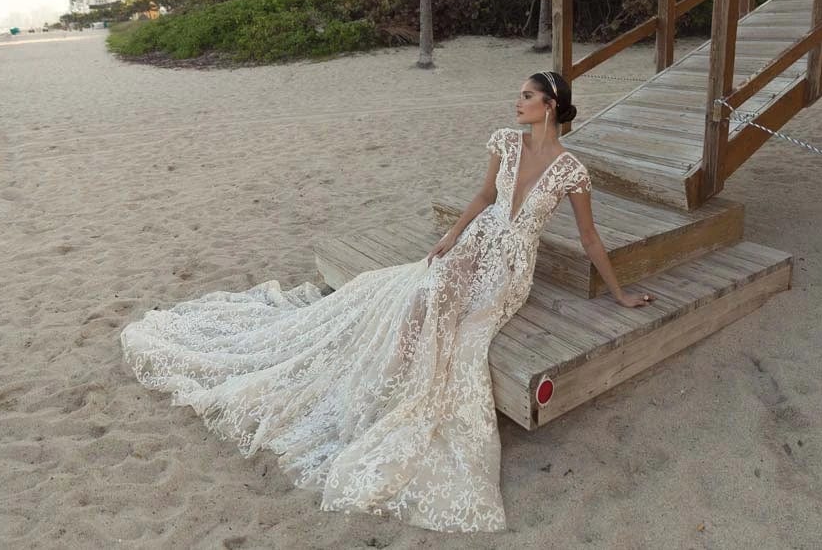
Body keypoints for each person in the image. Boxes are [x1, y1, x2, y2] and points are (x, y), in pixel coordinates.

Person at [120, 71, 652, 533]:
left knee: (463, 327)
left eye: (526, 96)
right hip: (475, 242)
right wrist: (451, 236)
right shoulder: (504, 143)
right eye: (518, 96)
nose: (517, 104)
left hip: (511, 267)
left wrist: (620, 292)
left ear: (550, 106)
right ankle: (384, 387)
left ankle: (407, 399)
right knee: (428, 294)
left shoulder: (570, 169)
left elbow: (588, 239)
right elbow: (485, 198)